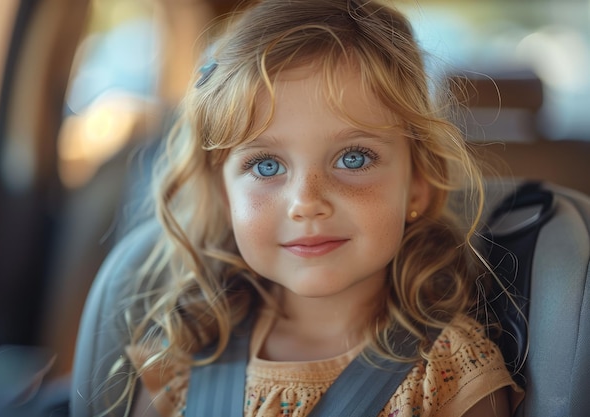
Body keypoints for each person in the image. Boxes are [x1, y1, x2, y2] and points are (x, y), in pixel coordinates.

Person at [104, 0, 525, 415]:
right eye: (266, 165)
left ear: (417, 187)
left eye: (353, 158)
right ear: (224, 194)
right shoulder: (185, 358)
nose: (307, 203)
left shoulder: (452, 375)